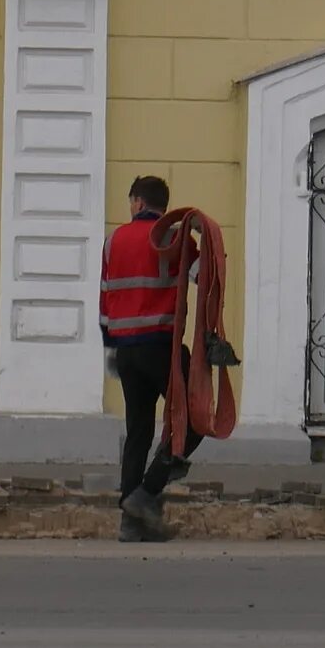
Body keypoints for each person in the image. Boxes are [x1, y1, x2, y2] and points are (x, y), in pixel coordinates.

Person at [101, 174, 198, 542]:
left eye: (131, 202)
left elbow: (105, 299)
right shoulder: (175, 237)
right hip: (161, 347)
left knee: (138, 431)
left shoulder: (113, 241)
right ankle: (146, 494)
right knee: (197, 418)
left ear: (139, 203)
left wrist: (111, 348)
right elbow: (203, 278)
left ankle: (130, 522)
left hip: (125, 351)